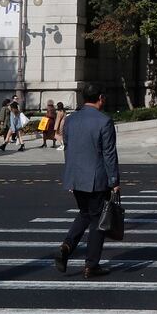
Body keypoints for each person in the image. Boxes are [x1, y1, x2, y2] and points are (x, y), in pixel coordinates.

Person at [55, 86, 121, 279]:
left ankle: (67, 245)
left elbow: (68, 148)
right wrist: (114, 180)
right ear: (100, 98)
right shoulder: (104, 121)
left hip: (76, 177)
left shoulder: (71, 120)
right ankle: (91, 265)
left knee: (86, 213)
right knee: (98, 221)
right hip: (97, 179)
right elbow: (109, 154)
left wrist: (71, 175)